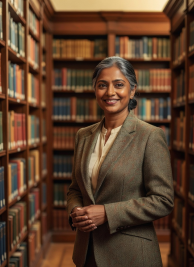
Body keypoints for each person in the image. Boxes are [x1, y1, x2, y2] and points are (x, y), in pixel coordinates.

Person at [67, 56, 174, 267]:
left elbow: (163, 201)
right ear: (95, 90)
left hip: (131, 255)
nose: (110, 92)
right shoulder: (83, 135)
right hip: (87, 252)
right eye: (102, 85)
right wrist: (75, 212)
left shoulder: (150, 136)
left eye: (118, 85)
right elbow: (75, 189)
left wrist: (107, 213)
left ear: (132, 90)